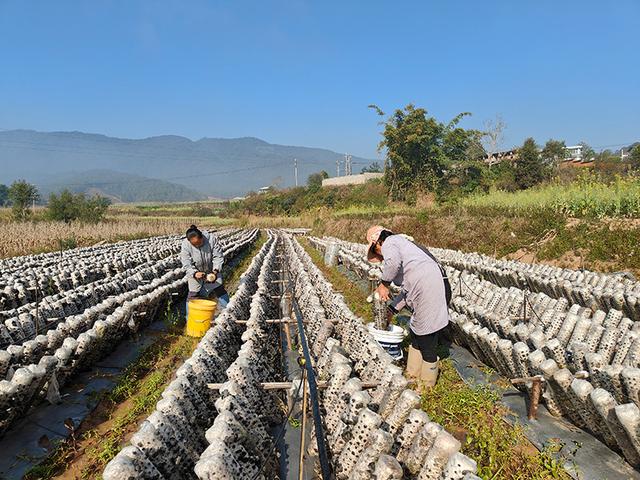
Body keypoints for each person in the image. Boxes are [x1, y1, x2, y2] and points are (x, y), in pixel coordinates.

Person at [366, 225, 450, 386]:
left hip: (428, 287)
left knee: (425, 336)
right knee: (417, 334)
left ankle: (427, 386)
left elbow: (392, 264)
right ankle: (412, 375)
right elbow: (407, 291)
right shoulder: (404, 250)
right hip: (426, 286)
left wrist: (384, 284)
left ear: (377, 243)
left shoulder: (390, 242)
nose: (381, 258)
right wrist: (392, 309)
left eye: (376, 252)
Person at [180, 225, 230, 309]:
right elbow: (186, 262)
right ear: (189, 242)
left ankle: (229, 310)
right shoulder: (185, 245)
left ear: (202, 237)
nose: (198, 246)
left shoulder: (211, 239)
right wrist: (194, 273)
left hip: (211, 269)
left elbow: (218, 257)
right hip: (195, 271)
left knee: (219, 290)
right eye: (194, 245)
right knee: (192, 295)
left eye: (199, 243)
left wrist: (215, 271)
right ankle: (189, 319)